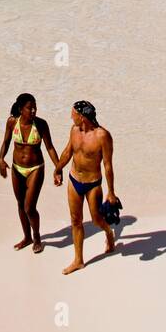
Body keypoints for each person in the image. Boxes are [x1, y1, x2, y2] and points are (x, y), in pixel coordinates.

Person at [54, 101, 119, 274]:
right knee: (76, 220)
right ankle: (78, 260)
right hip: (74, 180)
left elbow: (108, 165)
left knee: (97, 219)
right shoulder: (74, 130)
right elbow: (68, 151)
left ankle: (108, 233)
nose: (70, 117)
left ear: (82, 116)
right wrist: (58, 168)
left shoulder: (102, 136)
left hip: (93, 184)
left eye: (73, 113)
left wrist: (111, 192)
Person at [0, 94, 60, 253]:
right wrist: (0, 159)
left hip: (35, 168)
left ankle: (37, 236)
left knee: (29, 207)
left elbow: (50, 148)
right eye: (29, 108)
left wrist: (58, 168)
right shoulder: (12, 122)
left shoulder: (40, 124)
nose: (33, 111)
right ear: (21, 109)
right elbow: (6, 142)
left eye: (35, 107)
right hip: (17, 168)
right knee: (20, 204)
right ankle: (27, 237)